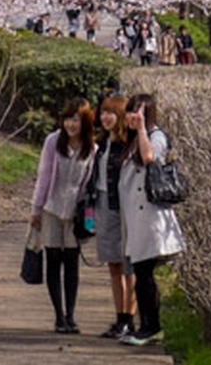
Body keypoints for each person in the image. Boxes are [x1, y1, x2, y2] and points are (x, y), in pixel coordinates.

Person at [116, 92, 184, 346]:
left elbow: (149, 158)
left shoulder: (155, 137)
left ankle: (151, 327)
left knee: (144, 275)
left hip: (151, 219)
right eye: (132, 111)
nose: (135, 116)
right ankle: (146, 326)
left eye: (140, 112)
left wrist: (143, 129)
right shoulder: (133, 138)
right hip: (136, 219)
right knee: (141, 274)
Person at [30, 98, 97, 333]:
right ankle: (59, 316)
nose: (71, 124)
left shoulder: (92, 148)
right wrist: (35, 209)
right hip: (51, 209)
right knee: (53, 260)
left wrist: (89, 218)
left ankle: (71, 315)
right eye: (68, 119)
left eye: (76, 119)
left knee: (72, 264)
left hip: (75, 214)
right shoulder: (53, 142)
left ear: (85, 121)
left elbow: (89, 186)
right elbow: (44, 177)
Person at [87, 94, 137, 338]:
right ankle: (120, 318)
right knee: (113, 266)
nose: (105, 117)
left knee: (129, 267)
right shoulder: (103, 143)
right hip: (104, 206)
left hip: (124, 210)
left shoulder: (127, 145)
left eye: (111, 113)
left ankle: (129, 319)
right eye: (103, 112)